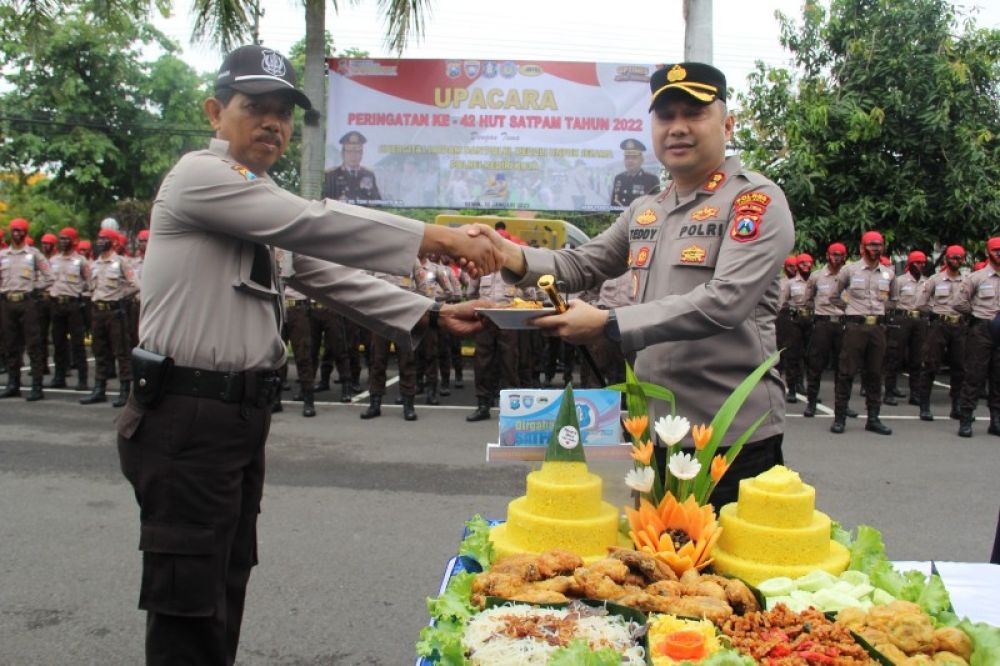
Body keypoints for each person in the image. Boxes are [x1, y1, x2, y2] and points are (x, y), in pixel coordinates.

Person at [114, 45, 499, 666]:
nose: (273, 123)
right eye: (255, 107)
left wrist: (429, 312)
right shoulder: (200, 176)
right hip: (186, 415)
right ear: (215, 112)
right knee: (189, 603)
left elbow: (324, 273)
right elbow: (315, 223)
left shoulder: (261, 199)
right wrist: (441, 237)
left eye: (284, 113)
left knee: (223, 583)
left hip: (235, 418)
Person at [477, 62, 794, 509]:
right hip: (654, 430)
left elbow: (726, 300)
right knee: (651, 550)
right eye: (666, 116)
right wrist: (511, 255)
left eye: (694, 113)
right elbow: (583, 263)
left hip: (729, 434)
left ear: (727, 125)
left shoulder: (753, 200)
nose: (677, 128)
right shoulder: (646, 209)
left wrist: (608, 323)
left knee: (726, 554)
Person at [830, 231, 894, 435]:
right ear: (862, 248)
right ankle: (839, 418)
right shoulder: (849, 270)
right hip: (855, 327)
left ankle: (873, 419)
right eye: (871, 245)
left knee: (875, 373)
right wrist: (851, 310)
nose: (876, 248)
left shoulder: (888, 273)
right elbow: (834, 296)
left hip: (877, 328)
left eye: (879, 245)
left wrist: (881, 312)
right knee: (846, 372)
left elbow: (893, 299)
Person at [79, 228, 138, 407]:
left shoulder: (121, 262)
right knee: (99, 351)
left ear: (113, 242)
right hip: (97, 311)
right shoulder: (94, 264)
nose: (99, 241)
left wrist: (120, 296)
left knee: (121, 352)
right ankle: (99, 389)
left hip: (114, 312)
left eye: (104, 239)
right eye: (98, 238)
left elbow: (136, 284)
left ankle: (125, 391)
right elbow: (89, 285)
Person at [802, 242, 858, 419]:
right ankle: (811, 403)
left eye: (840, 255)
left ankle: (843, 404)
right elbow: (808, 300)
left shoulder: (851, 276)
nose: (837, 258)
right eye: (834, 254)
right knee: (815, 365)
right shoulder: (816, 276)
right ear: (828, 256)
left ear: (845, 257)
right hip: (823, 324)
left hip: (844, 324)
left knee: (844, 367)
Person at [0, 217, 53, 401]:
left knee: (33, 345)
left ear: (25, 233)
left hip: (27, 303)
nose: (16, 233)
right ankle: (13, 384)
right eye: (14, 230)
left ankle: (37, 386)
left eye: (20, 230)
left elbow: (49, 276)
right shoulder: (3, 255)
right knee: (10, 345)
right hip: (7, 302)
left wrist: (34, 288)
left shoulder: (34, 254)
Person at [952, 236, 1000, 437]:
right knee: (974, 375)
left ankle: (996, 421)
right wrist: (976, 314)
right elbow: (958, 302)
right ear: (988, 252)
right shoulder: (977, 277)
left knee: (998, 377)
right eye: (996, 250)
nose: (999, 254)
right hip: (982, 329)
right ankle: (966, 419)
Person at [915, 246, 966, 421]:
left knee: (959, 367)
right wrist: (935, 313)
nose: (956, 261)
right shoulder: (935, 280)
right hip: (939, 325)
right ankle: (924, 406)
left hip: (959, 325)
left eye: (959, 258)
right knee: (930, 364)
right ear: (946, 259)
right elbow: (920, 303)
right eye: (953, 257)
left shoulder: (967, 281)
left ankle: (956, 407)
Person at [47, 227, 91, 391]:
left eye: (67, 238)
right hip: (57, 303)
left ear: (74, 241)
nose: (63, 241)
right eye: (61, 238)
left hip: (73, 305)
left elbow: (89, 281)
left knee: (77, 343)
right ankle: (59, 376)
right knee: (58, 342)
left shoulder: (80, 261)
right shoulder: (53, 260)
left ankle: (82, 379)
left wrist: (82, 294)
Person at [883, 250, 927, 406]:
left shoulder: (926, 282)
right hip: (902, 319)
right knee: (895, 356)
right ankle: (889, 392)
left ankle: (915, 394)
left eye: (923, 263)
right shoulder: (900, 281)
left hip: (919, 320)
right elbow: (889, 300)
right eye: (917, 262)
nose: (921, 265)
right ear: (910, 263)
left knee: (917, 358)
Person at [777, 252, 813, 402]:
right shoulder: (788, 283)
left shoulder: (815, 281)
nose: (806, 266)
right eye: (802, 263)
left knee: (809, 356)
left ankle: (805, 387)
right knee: (791, 354)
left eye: (809, 263)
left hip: (811, 320)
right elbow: (781, 303)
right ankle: (791, 388)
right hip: (792, 320)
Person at [322, 130, 382, 203]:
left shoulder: (369, 174)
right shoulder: (331, 175)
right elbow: (324, 201)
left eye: (357, 151)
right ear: (342, 154)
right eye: (349, 151)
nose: (353, 155)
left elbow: (377, 201)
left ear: (362, 154)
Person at [610, 138, 661, 207]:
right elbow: (613, 205)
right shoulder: (619, 178)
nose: (630, 161)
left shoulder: (652, 180)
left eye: (634, 157)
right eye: (627, 158)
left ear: (642, 160)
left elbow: (656, 207)